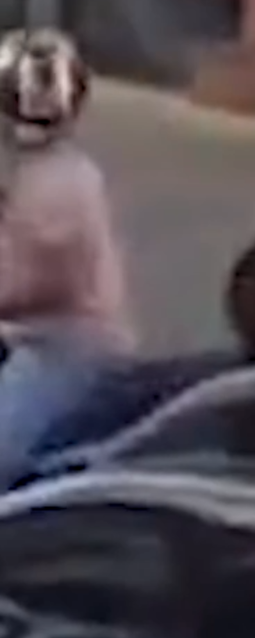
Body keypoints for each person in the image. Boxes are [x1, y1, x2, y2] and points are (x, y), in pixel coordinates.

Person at [0, 29, 137, 486]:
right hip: (39, 339)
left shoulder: (55, 183)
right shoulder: (46, 168)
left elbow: (39, 284)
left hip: (62, 349)